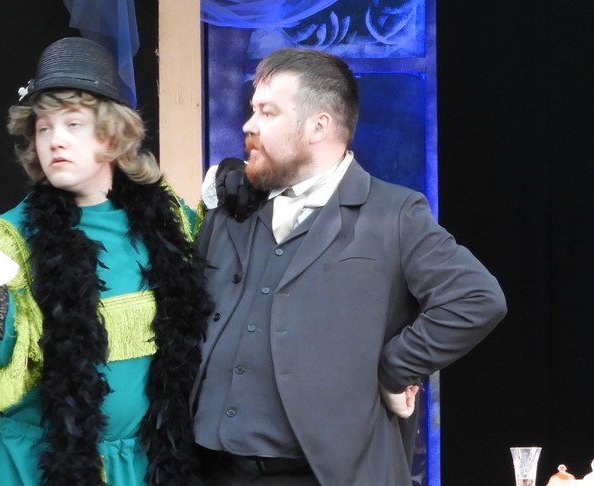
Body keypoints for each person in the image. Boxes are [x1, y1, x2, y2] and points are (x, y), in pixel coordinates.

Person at [192, 48, 507, 485]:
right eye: (252, 110)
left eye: (267, 112)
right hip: (208, 470)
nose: (249, 124)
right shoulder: (232, 208)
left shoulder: (394, 214)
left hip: (324, 475)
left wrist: (396, 368)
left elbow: (476, 298)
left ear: (318, 126)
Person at [0, 37, 211, 485]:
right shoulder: (10, 237)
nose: (55, 140)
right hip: (34, 467)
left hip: (142, 467)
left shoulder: (171, 222)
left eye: (73, 124)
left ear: (112, 134)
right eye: (43, 128)